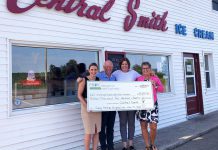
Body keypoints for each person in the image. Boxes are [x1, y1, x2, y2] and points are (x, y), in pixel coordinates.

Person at [112, 58, 141, 150]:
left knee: (131, 123)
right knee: (123, 123)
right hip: (121, 104)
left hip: (132, 103)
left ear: (128, 64)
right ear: (120, 65)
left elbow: (142, 79)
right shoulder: (116, 73)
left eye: (126, 64)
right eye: (123, 64)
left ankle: (131, 143)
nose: (124, 65)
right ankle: (124, 145)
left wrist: (152, 75)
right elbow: (108, 79)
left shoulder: (133, 73)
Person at [136, 62, 164, 150]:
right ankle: (147, 146)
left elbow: (162, 89)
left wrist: (155, 85)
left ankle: (152, 144)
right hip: (142, 105)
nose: (145, 70)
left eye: (147, 68)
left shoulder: (155, 78)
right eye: (143, 68)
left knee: (153, 127)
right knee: (143, 126)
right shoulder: (138, 79)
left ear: (150, 68)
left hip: (153, 105)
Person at [77, 63, 101, 150]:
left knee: (96, 131)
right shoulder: (83, 80)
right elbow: (79, 95)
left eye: (95, 69)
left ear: (97, 70)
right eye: (92, 69)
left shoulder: (99, 80)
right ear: (88, 70)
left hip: (97, 108)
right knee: (88, 132)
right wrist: (87, 106)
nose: (93, 71)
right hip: (86, 108)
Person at [97, 60, 116, 150]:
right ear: (104, 67)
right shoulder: (98, 76)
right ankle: (103, 147)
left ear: (112, 68)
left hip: (112, 106)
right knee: (102, 129)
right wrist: (81, 78)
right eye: (106, 67)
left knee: (110, 128)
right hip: (102, 107)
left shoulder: (114, 77)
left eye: (110, 67)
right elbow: (89, 78)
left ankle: (111, 147)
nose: (108, 68)